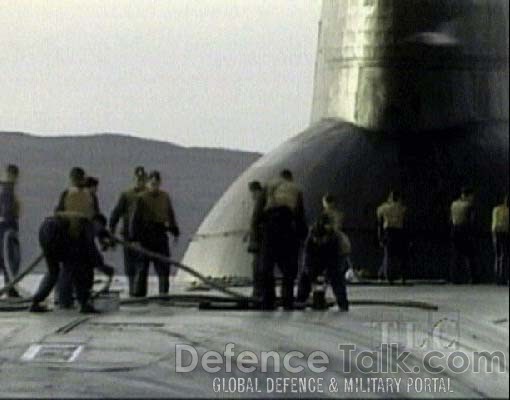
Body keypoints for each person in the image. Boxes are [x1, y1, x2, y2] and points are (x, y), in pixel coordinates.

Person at [258, 169, 307, 310]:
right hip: (287, 228)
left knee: (266, 268)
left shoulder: (269, 186)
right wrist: (302, 237)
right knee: (289, 270)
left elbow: (257, 213)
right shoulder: (296, 189)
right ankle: (287, 301)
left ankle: (268, 301)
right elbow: (300, 216)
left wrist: (255, 237)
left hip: (270, 228)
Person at [52, 167, 99, 312]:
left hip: (81, 237)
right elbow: (58, 214)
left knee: (78, 271)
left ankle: (75, 301)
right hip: (72, 238)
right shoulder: (72, 194)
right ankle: (69, 301)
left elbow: (95, 217)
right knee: (71, 270)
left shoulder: (84, 195)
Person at [130, 170, 180, 297]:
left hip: (160, 233)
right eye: (152, 183)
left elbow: (170, 214)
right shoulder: (141, 198)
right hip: (145, 234)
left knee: (163, 267)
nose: (154, 186)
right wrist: (134, 238)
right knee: (142, 267)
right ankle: (139, 295)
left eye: (157, 183)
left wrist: (174, 228)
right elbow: (135, 219)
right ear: (148, 183)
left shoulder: (165, 197)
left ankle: (163, 293)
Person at [297, 212, 350, 311]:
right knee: (305, 276)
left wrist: (328, 273)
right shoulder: (311, 239)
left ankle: (343, 303)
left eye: (321, 240)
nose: (319, 241)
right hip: (316, 257)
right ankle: (301, 300)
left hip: (334, 256)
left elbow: (338, 260)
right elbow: (307, 259)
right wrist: (311, 273)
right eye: (317, 240)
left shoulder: (336, 239)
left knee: (337, 277)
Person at [109, 166, 147, 296]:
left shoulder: (148, 195)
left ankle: (139, 292)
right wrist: (111, 231)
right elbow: (116, 214)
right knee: (130, 265)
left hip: (143, 236)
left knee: (142, 266)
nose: (140, 181)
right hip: (128, 236)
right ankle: (132, 290)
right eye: (138, 179)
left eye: (142, 179)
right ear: (134, 179)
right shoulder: (126, 195)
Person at [377, 190, 409, 284]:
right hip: (399, 230)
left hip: (388, 231)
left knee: (388, 255)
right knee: (400, 255)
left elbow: (379, 221)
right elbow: (405, 220)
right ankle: (402, 276)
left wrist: (380, 236)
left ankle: (388, 276)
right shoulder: (402, 208)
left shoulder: (383, 208)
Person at [450, 187, 479, 284]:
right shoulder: (469, 205)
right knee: (470, 255)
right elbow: (472, 220)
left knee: (456, 255)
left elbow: (450, 218)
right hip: (465, 230)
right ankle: (472, 278)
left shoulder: (453, 204)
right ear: (468, 195)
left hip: (454, 230)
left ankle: (455, 278)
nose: (473, 198)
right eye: (472, 196)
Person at [0, 164, 21, 297]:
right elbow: (7, 211)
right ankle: (10, 288)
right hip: (7, 228)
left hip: (8, 227)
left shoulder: (7, 189)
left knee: (8, 259)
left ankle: (10, 287)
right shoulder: (7, 190)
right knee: (11, 258)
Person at [246, 181, 265, 299]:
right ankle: (259, 291)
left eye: (252, 193)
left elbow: (255, 222)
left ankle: (258, 291)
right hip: (261, 240)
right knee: (258, 266)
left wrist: (253, 240)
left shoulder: (261, 203)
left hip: (260, 241)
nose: (252, 196)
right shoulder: (265, 201)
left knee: (258, 267)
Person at [492, 194, 509, 285]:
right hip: (504, 233)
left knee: (497, 256)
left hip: (495, 233)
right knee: (504, 256)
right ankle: (503, 277)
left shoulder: (495, 210)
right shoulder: (507, 210)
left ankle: (497, 278)